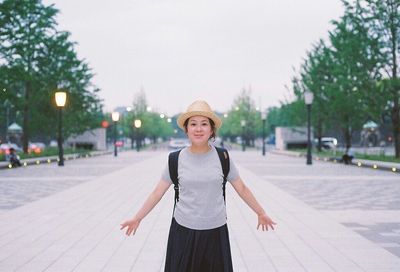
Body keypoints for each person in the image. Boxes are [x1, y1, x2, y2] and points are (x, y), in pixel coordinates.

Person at [120, 100, 276, 272]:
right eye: (193, 124)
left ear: (211, 130)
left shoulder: (223, 157)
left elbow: (242, 188)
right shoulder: (175, 159)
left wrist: (260, 212)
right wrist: (137, 218)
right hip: (183, 231)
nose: (198, 129)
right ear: (186, 129)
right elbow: (157, 193)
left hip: (215, 232)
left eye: (204, 124)